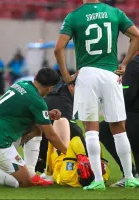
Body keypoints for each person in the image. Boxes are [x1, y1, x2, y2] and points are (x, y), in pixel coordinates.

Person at [54, 0, 139, 190]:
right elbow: (136, 36)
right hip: (111, 74)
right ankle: (129, 177)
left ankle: (98, 180)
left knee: (91, 128)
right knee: (119, 127)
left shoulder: (74, 16)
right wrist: (124, 64)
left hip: (87, 74)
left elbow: (58, 48)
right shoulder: (115, 13)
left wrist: (67, 77)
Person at [0, 68, 67, 189]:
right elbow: (51, 135)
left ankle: (31, 174)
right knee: (23, 182)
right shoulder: (36, 100)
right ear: (50, 88)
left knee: (37, 128)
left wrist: (46, 114)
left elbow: (18, 111)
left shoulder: (21, 84)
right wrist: (68, 153)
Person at [99, 51, 139, 187]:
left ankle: (130, 173)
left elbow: (129, 93)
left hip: (134, 114)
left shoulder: (134, 63)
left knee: (105, 129)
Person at [36, 79, 85, 173]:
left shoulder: (57, 94)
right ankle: (54, 168)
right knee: (66, 127)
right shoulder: (62, 99)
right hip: (52, 157)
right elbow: (73, 129)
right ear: (71, 87)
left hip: (42, 152)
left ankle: (43, 165)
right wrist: (86, 156)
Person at [45, 118, 110, 188]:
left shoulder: (68, 177)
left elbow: (75, 140)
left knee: (60, 121)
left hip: (63, 163)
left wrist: (82, 157)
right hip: (72, 162)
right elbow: (97, 148)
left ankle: (48, 174)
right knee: (61, 122)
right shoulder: (104, 176)